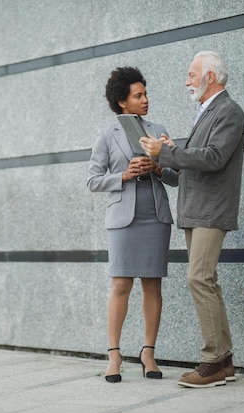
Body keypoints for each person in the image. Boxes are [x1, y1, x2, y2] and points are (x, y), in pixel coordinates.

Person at [140, 51, 244, 388]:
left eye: (191, 74)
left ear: (209, 77)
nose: (186, 81)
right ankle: (225, 361)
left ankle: (212, 361)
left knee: (198, 279)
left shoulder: (228, 111)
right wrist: (165, 160)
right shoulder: (208, 112)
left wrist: (167, 152)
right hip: (198, 209)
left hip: (211, 211)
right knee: (207, 281)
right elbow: (196, 162)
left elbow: (214, 158)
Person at [87, 67, 178, 383]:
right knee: (121, 284)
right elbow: (93, 180)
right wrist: (124, 174)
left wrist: (157, 167)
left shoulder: (159, 130)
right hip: (123, 219)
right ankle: (114, 355)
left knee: (152, 284)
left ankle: (148, 353)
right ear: (122, 101)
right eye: (138, 95)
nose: (145, 100)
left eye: (145, 94)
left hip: (155, 215)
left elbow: (179, 176)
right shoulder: (107, 135)